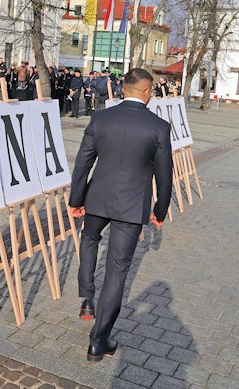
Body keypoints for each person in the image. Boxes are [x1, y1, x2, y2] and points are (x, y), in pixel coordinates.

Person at [69, 68, 173, 361]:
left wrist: (76, 198)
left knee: (88, 238)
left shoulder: (101, 118)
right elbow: (165, 176)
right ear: (146, 91)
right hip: (131, 206)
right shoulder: (159, 126)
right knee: (116, 272)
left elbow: (82, 163)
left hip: (97, 198)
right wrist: (160, 210)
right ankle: (98, 341)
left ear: (123, 88)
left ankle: (87, 297)